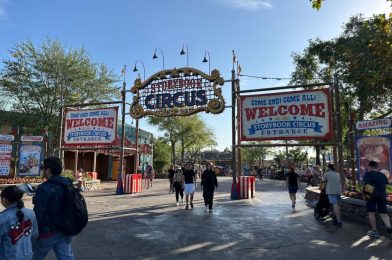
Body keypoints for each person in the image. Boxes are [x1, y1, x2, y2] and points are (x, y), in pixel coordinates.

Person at [32, 156, 75, 259]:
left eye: (43, 168)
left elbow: (38, 213)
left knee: (33, 256)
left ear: (48, 170)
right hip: (67, 229)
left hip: (49, 231)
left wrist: (33, 233)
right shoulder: (68, 184)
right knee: (66, 257)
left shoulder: (45, 188)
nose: (43, 171)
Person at [0, 186, 38, 260]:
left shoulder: (2, 218)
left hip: (8, 257)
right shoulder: (30, 213)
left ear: (4, 200)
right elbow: (35, 235)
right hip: (27, 255)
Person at [363, 160, 392, 238]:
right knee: (383, 213)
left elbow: (365, 183)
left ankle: (374, 231)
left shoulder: (367, 174)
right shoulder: (382, 175)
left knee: (371, 213)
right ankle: (389, 227)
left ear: (370, 167)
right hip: (382, 196)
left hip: (371, 196)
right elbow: (386, 184)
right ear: (377, 167)